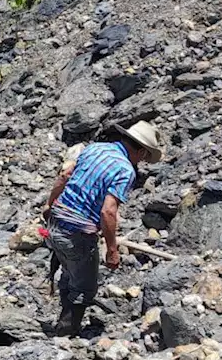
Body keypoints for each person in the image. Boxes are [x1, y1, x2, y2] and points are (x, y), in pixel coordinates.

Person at [42, 121, 164, 336]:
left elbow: (64, 176)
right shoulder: (125, 170)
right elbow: (108, 211)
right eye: (144, 157)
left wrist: (49, 204)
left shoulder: (95, 148)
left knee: (70, 271)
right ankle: (66, 334)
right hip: (77, 232)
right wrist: (112, 249)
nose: (142, 162)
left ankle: (63, 319)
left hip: (56, 222)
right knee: (85, 286)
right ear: (142, 150)